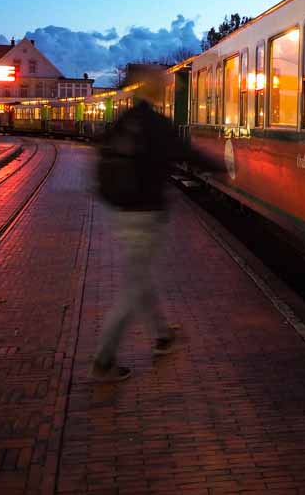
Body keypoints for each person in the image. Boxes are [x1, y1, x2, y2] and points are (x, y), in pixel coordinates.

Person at [89, 71, 216, 382]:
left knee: (139, 276)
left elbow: (100, 149)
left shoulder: (125, 118)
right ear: (156, 91)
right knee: (133, 287)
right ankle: (104, 360)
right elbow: (186, 153)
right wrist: (223, 168)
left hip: (121, 210)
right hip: (146, 213)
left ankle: (162, 336)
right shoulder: (157, 125)